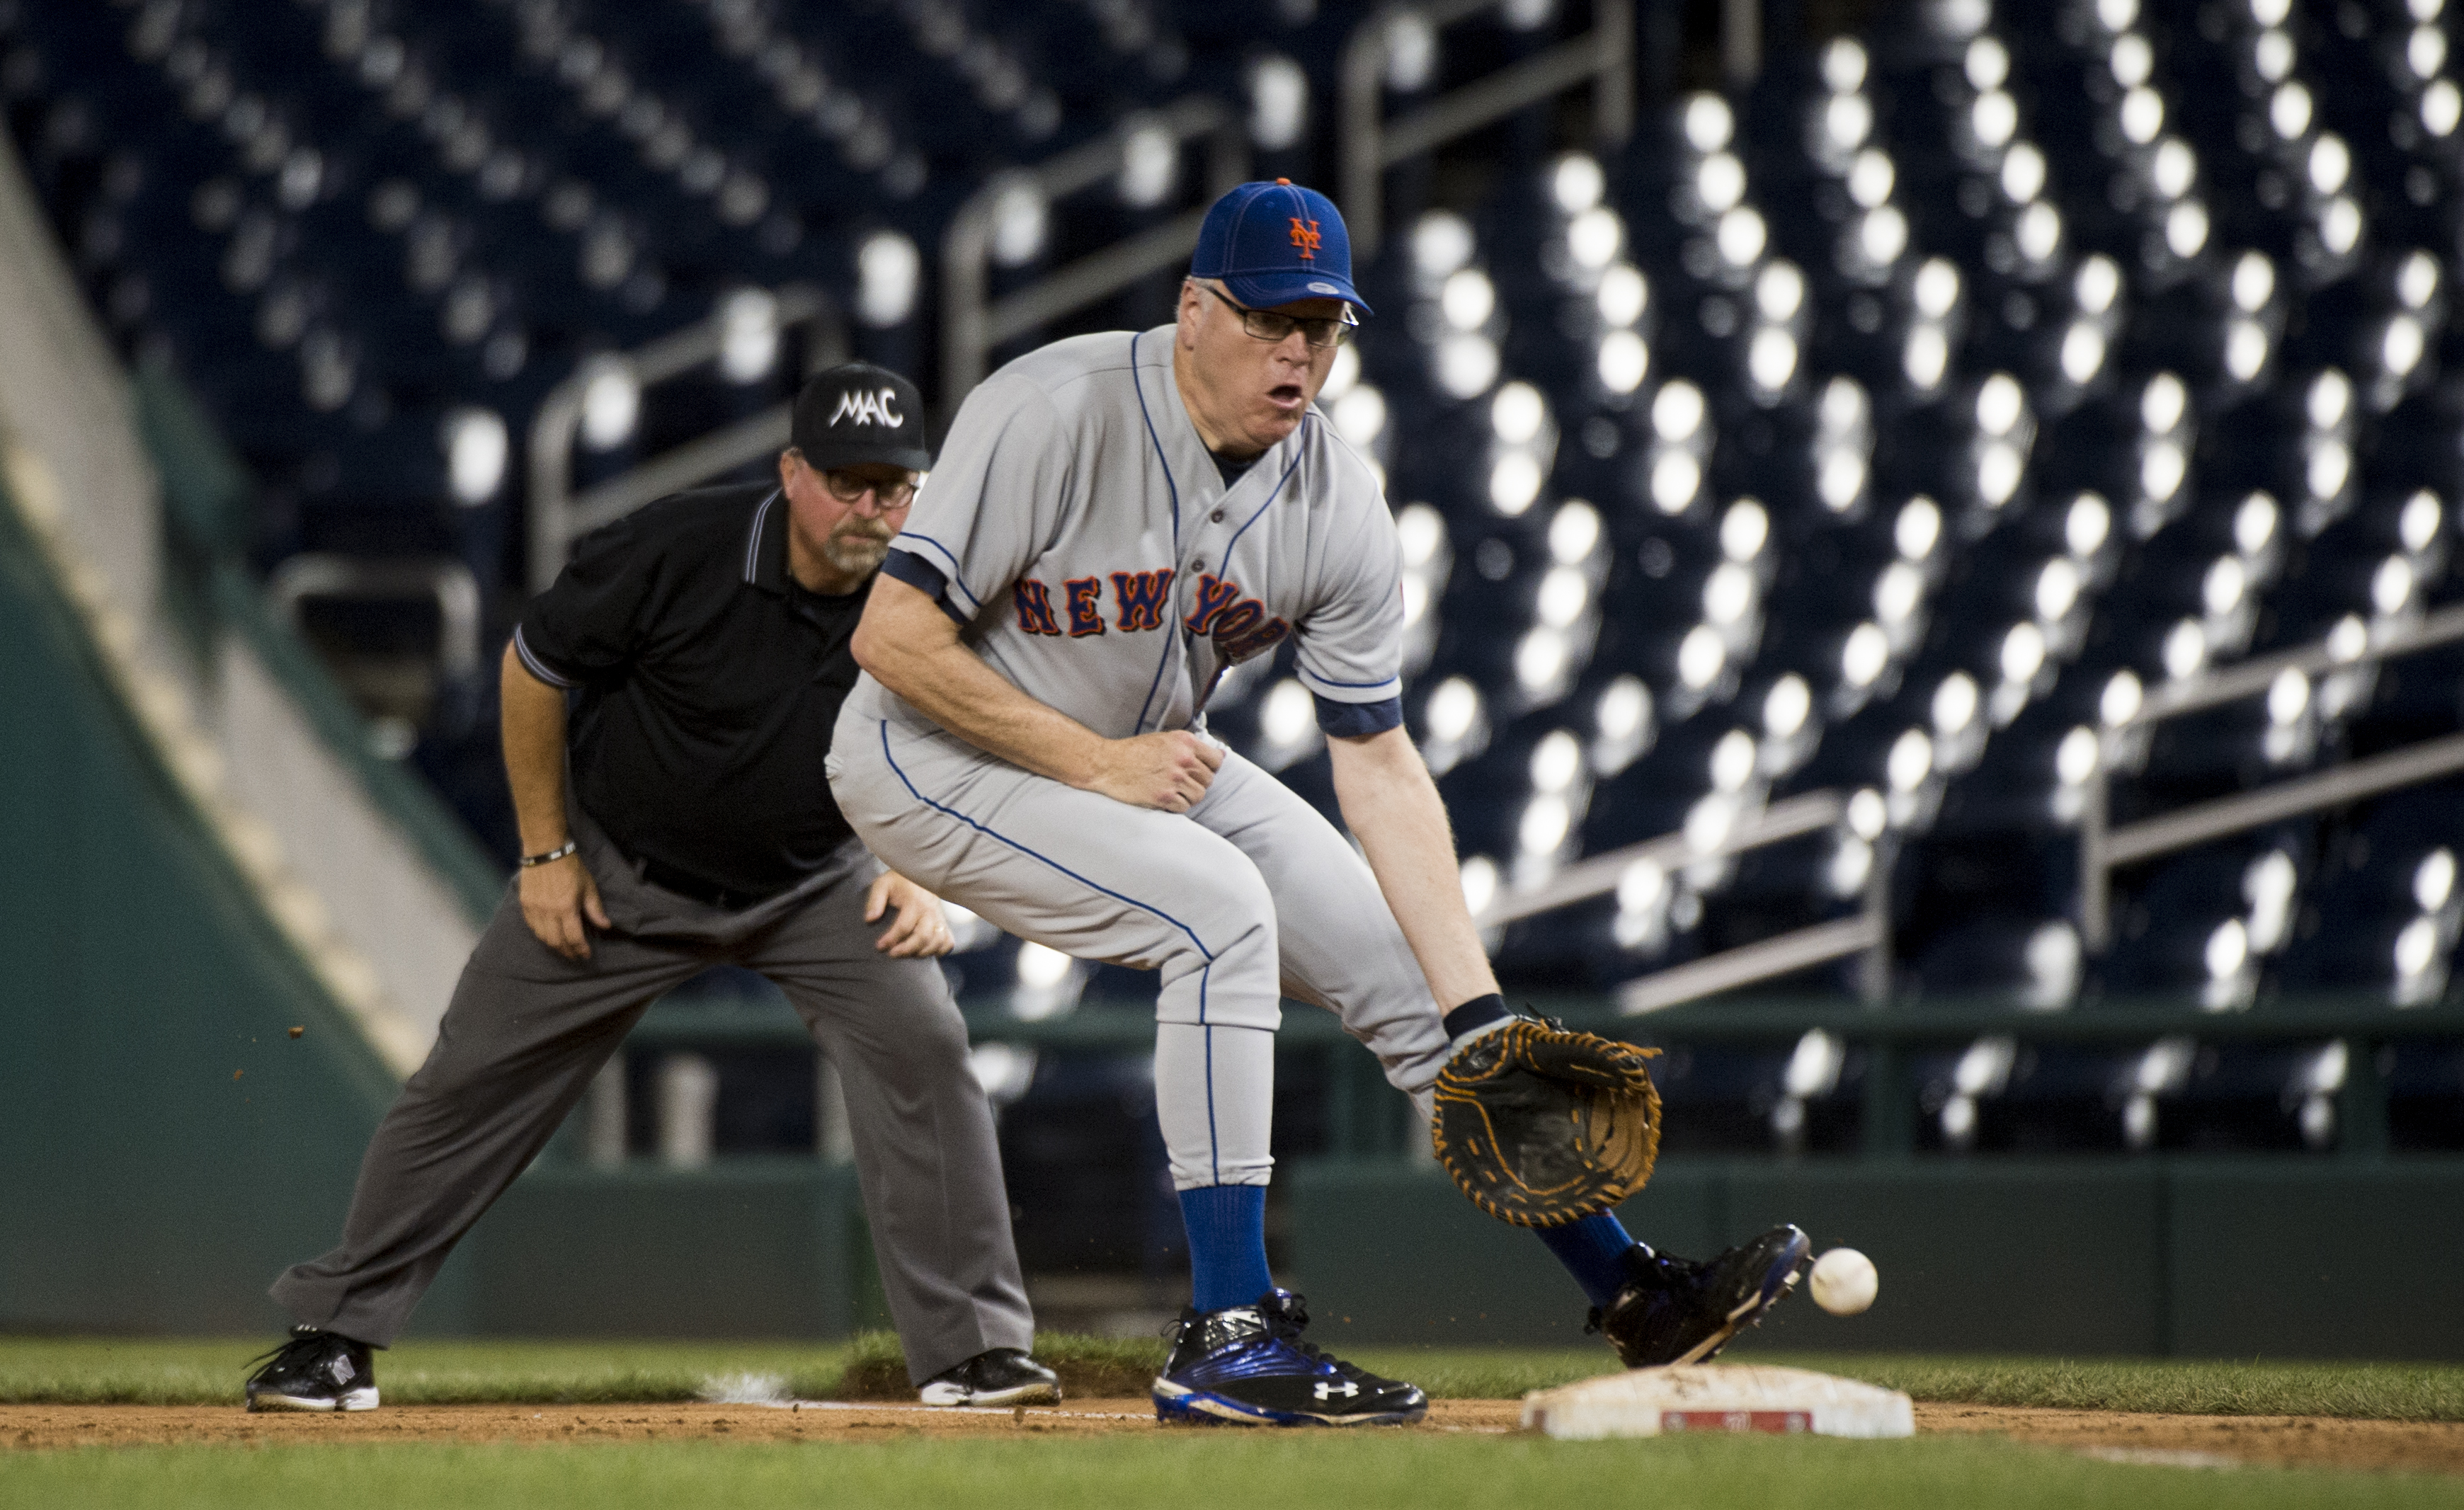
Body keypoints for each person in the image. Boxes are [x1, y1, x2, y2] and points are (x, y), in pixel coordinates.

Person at [828, 181, 1807, 1429]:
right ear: (1193, 310)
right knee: (1219, 911)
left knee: (1409, 978)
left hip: (1139, 754)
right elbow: (891, 635)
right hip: (926, 754)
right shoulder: (1050, 407)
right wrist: (1092, 762)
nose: (1298, 353)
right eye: (1268, 319)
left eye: (1324, 327)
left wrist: (1481, 1009)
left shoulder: (1333, 501)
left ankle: (1632, 1292)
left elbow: (1382, 764)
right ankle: (1227, 1333)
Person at [246, 363, 1056, 1413]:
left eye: (897, 485)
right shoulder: (678, 546)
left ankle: (973, 1350)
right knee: (466, 1082)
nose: (875, 507)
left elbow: (952, 724)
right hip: (621, 868)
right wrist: (547, 855)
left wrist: (913, 863)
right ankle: (335, 1336)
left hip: (816, 880)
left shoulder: (936, 578)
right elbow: (535, 665)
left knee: (928, 1047)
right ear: (792, 472)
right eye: (849, 481)